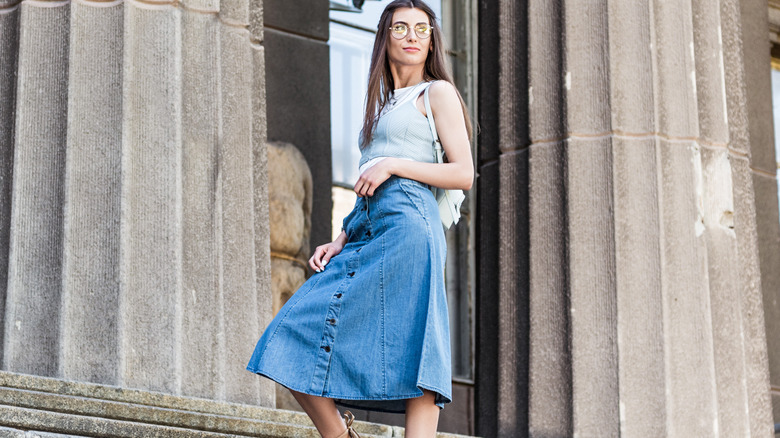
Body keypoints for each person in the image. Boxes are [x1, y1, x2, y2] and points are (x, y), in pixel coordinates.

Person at [246, 1, 473, 436]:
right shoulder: (383, 107)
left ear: (431, 42)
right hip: (370, 229)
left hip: (410, 228)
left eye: (422, 29)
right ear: (385, 39)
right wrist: (341, 238)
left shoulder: (436, 92)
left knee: (417, 347)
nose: (411, 35)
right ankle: (338, 433)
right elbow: (368, 191)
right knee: (290, 330)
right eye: (400, 27)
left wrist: (393, 165)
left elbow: (463, 174)